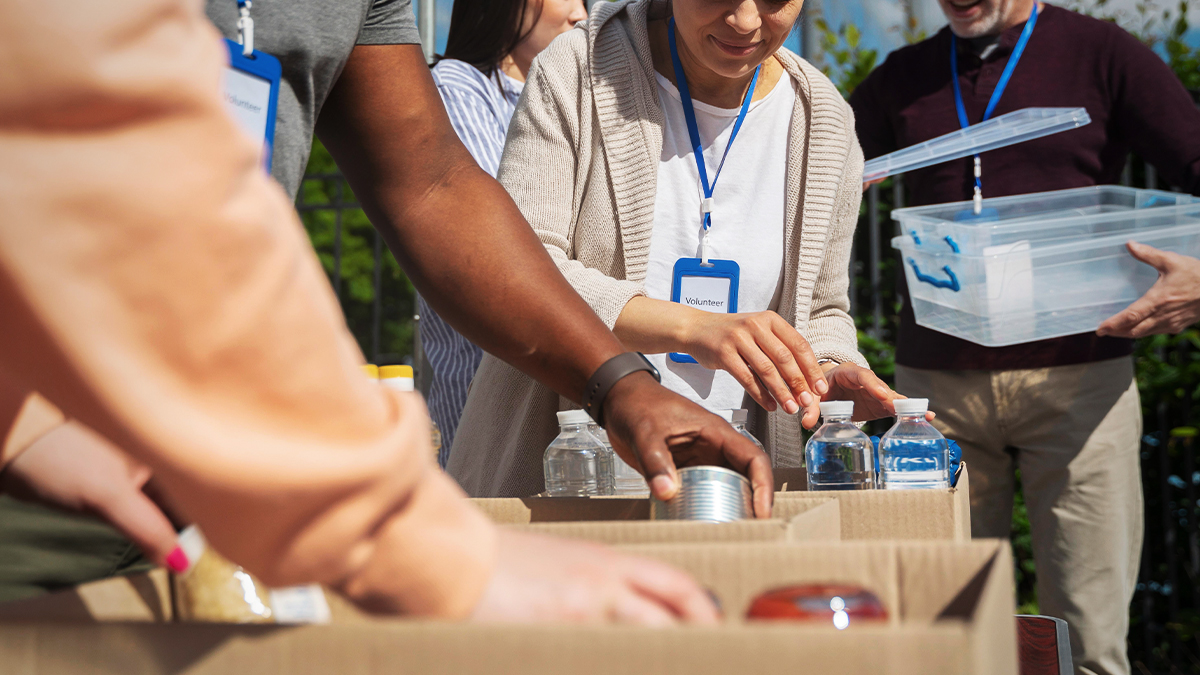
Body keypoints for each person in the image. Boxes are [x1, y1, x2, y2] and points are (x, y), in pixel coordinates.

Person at [0, 0, 763, 623]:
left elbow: (428, 181)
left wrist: (618, 382)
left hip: (205, 479)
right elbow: (92, 128)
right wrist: (395, 536)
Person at [448, 0, 923, 499]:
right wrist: (695, 327)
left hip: (730, 491)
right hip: (566, 482)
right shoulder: (580, 70)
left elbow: (822, 307)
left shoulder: (823, 122)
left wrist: (827, 368)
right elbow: (518, 268)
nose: (745, 21)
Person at [849, 0, 1200, 670]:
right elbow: (812, 168)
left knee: (1090, 638)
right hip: (936, 396)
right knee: (943, 630)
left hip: (1080, 382)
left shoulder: (1102, 52)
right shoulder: (906, 73)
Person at [421, 0, 589, 464]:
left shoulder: (579, 97)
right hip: (486, 384)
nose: (582, 15)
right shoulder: (457, 88)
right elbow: (497, 230)